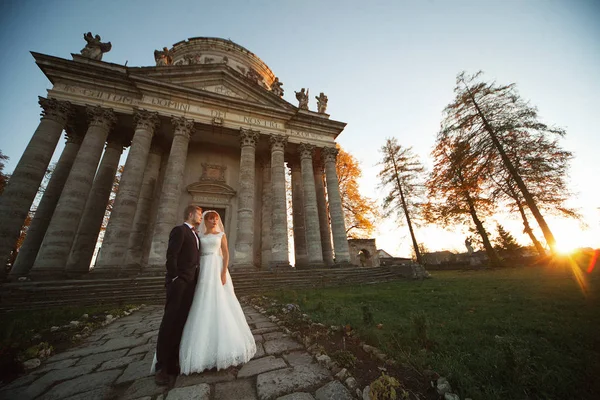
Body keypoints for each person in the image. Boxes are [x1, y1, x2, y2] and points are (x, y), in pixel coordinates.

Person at [178, 210, 256, 374]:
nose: (214, 221)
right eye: (210, 218)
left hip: (216, 267)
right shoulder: (199, 236)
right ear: (205, 220)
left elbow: (226, 253)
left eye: (216, 218)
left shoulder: (221, 234)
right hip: (203, 268)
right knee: (202, 300)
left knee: (221, 300)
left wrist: (223, 272)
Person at [153, 205, 202, 385]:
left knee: (181, 321)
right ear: (190, 214)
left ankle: (173, 363)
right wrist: (174, 277)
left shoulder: (196, 235)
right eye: (199, 213)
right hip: (179, 282)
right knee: (169, 322)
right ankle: (161, 367)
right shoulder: (179, 230)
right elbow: (171, 255)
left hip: (191, 284)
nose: (201, 217)